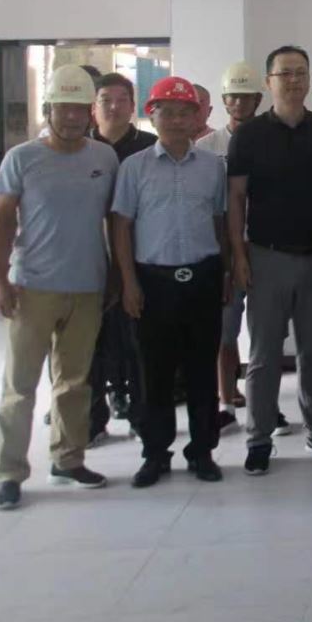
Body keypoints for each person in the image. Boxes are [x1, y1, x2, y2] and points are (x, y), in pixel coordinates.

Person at [0, 65, 118, 510]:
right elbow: (2, 222)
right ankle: (9, 473)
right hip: (32, 288)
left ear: (90, 112)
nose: (73, 118)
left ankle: (68, 459)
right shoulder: (22, 158)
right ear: (48, 110)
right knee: (20, 386)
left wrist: (115, 275)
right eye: (64, 109)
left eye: (80, 109)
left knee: (74, 381)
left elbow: (114, 222)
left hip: (87, 286)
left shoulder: (104, 158)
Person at [230, 46, 312, 475]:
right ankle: (258, 438)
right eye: (285, 73)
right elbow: (236, 198)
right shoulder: (249, 135)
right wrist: (239, 254)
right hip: (266, 257)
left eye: (301, 73)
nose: (294, 80)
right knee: (264, 356)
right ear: (269, 81)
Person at [111, 76, 229, 487]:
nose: (177, 121)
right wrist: (129, 282)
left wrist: (225, 271)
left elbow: (220, 222)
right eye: (168, 113)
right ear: (152, 114)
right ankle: (155, 453)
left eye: (185, 113)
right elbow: (121, 227)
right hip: (153, 281)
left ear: (197, 117)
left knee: (201, 371)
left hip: (202, 278)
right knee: (153, 373)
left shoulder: (213, 167)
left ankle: (202, 452)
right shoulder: (134, 167)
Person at [86, 73, 156, 444]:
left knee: (138, 346)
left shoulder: (149, 148)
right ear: (93, 107)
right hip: (88, 263)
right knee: (89, 347)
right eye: (105, 100)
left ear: (133, 105)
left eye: (121, 100)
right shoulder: (79, 147)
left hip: (138, 261)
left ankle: (143, 419)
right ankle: (91, 419)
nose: (113, 107)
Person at [199, 61, 263, 426]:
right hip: (223, 247)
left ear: (258, 99)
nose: (239, 103)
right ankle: (226, 400)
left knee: (265, 332)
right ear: (224, 100)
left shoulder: (270, 139)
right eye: (233, 97)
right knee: (226, 328)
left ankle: (263, 403)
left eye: (246, 96)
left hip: (265, 245)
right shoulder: (207, 147)